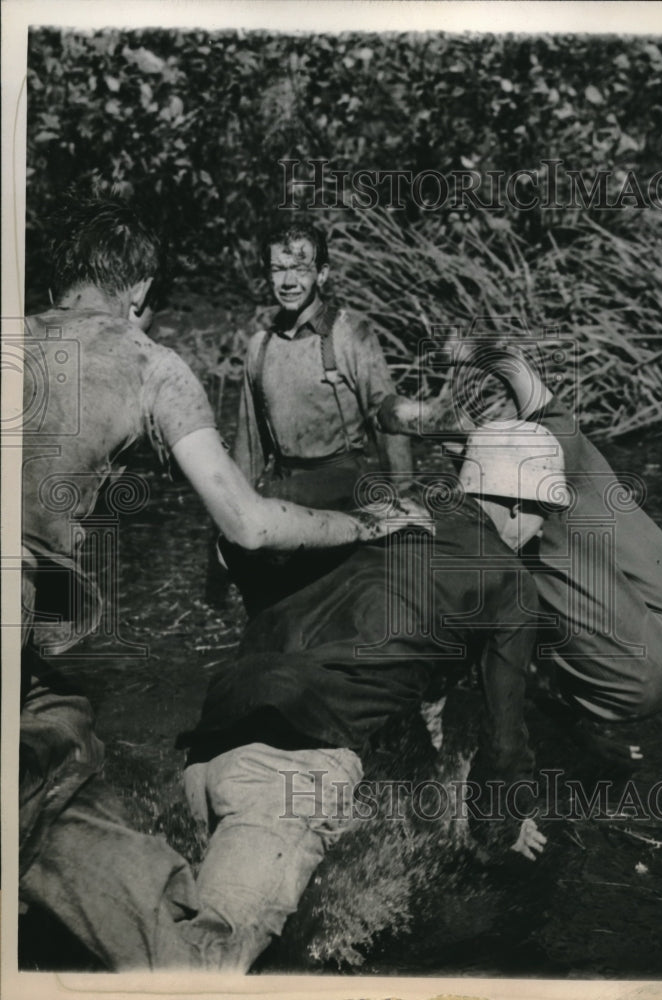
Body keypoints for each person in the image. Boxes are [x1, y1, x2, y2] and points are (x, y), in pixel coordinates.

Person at [19, 192, 422, 970]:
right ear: (139, 292)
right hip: (282, 515)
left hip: (41, 655)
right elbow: (250, 519)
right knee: (65, 767)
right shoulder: (152, 363)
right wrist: (375, 524)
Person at [175, 435, 567, 972]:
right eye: (546, 513)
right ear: (519, 503)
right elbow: (503, 744)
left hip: (210, 747)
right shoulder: (511, 583)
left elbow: (261, 569)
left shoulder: (380, 514)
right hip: (291, 772)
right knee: (203, 966)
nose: (544, 530)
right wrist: (496, 829)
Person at [378, 343, 662, 726]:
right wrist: (462, 349)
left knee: (495, 600)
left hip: (634, 685)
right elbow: (510, 362)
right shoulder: (560, 436)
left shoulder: (492, 511)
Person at [226, 219, 413, 610]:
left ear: (322, 274)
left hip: (341, 493)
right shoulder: (259, 347)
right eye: (278, 269)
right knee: (271, 611)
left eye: (301, 269)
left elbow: (389, 419)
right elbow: (249, 448)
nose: (289, 281)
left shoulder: (350, 334)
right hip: (284, 496)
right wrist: (231, 525)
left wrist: (403, 501)